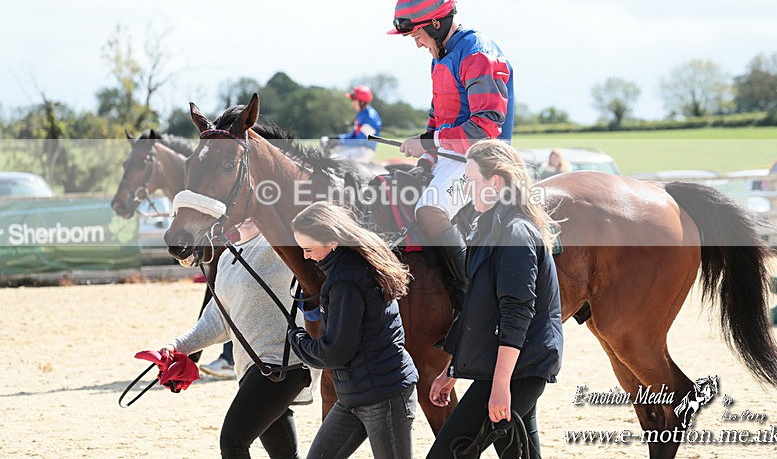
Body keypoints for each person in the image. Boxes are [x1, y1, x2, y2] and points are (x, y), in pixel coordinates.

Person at [427, 139, 563, 459]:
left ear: (495, 182)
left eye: (472, 181)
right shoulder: (489, 228)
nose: (468, 189)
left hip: (519, 370)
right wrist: (452, 370)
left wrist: (501, 387)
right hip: (512, 369)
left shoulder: (515, 233)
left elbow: (516, 313)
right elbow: (477, 308)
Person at [389, 0, 515, 314]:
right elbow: (438, 121)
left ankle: (473, 301)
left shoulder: (477, 51)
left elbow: (485, 127)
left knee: (429, 211)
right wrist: (426, 154)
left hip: (485, 160)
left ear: (435, 23)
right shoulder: (439, 57)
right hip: (453, 157)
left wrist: (428, 143)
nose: (416, 43)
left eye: (416, 34)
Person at [157, 219, 312, 459]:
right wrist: (175, 347)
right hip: (252, 369)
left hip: (283, 366)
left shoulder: (276, 244)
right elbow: (216, 321)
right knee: (285, 456)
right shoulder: (228, 258)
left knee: (233, 443)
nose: (247, 215)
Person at [289, 201, 418, 459]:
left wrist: (297, 339)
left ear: (332, 241)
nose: (305, 256)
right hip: (356, 393)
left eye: (309, 248)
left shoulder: (345, 281)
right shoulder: (349, 267)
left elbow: (335, 351)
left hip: (384, 395)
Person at [330, 85, 383, 163]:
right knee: (331, 148)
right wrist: (338, 138)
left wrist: (338, 141)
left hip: (365, 151)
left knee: (331, 160)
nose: (353, 104)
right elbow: (354, 135)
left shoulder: (369, 118)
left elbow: (359, 141)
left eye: (354, 100)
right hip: (359, 148)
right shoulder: (362, 113)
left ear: (362, 102)